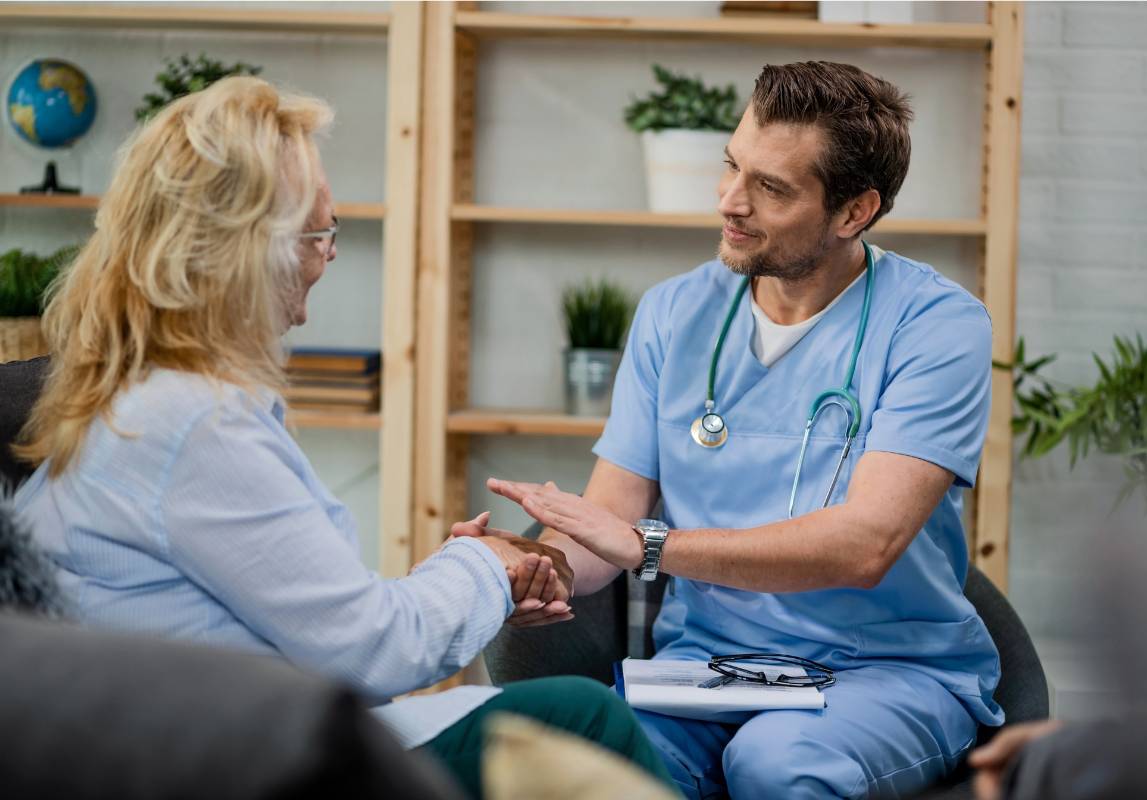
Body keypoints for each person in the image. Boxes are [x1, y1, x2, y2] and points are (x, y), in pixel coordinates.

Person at [10, 77, 673, 799]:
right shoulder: (194, 423)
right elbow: (378, 650)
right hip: (235, 762)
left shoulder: (135, 390)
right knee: (581, 718)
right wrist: (482, 564)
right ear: (245, 251)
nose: (328, 256)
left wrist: (468, 571)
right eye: (316, 234)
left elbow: (316, 614)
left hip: (208, 731)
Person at [472, 61, 1004, 799]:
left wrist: (651, 548)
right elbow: (610, 525)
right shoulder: (672, 314)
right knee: (596, 765)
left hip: (884, 673)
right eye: (732, 166)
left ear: (854, 211)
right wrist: (534, 567)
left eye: (772, 188)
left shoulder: (936, 325)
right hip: (708, 672)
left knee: (779, 763)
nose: (731, 201)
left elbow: (866, 545)